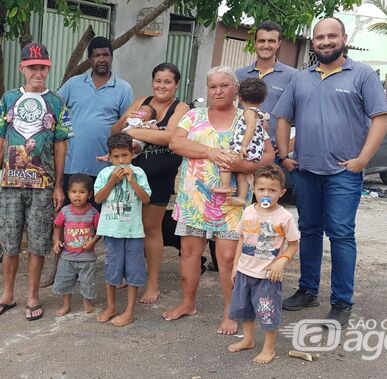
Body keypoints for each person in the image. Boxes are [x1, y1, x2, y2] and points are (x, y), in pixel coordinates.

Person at [272, 17, 387, 326]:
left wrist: (362, 160)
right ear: (313, 42)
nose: (325, 41)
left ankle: (341, 301)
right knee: (308, 231)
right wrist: (284, 155)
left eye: (331, 36)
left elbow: (380, 118)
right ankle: (308, 290)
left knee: (340, 234)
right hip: (307, 170)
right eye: (320, 37)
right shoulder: (301, 79)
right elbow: (283, 117)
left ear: (344, 38)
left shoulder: (362, 75)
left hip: (343, 173)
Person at [165, 66, 275, 335]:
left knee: (227, 258)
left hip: (231, 203)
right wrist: (211, 152)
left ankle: (231, 311)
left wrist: (244, 165)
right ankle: (188, 303)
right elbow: (176, 143)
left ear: (235, 88)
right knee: (190, 253)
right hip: (194, 200)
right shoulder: (194, 116)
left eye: (223, 85)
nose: (218, 91)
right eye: (212, 86)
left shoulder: (248, 117)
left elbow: (269, 155)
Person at [0, 42, 73, 321]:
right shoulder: (9, 99)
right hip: (10, 184)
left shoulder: (57, 103)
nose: (38, 72)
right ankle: (8, 294)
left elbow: (61, 146)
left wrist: (59, 185)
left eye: (43, 67)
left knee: (37, 243)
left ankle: (32, 295)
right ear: (22, 68)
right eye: (33, 67)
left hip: (43, 186)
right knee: (9, 242)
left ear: (48, 69)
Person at [40, 37, 132, 288]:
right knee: (64, 220)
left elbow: (126, 130)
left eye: (106, 55)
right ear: (90, 59)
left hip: (105, 171)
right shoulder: (73, 84)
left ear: (111, 57)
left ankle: (115, 272)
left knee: (108, 222)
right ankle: (56, 270)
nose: (101, 59)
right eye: (96, 55)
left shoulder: (123, 88)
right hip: (71, 166)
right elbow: (53, 112)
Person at [111, 63, 190, 304]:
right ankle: (129, 272)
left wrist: (133, 132)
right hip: (130, 173)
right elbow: (115, 134)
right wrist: (127, 119)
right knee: (127, 225)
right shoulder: (142, 102)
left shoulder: (182, 107)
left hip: (159, 175)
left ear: (176, 85)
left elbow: (170, 138)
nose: (162, 86)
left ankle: (152, 283)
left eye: (167, 82)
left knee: (151, 228)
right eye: (158, 80)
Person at [227, 164, 299, 364]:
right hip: (244, 271)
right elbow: (242, 239)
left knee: (267, 312)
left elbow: (293, 245)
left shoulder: (285, 217)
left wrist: (281, 262)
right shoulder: (249, 211)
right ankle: (248, 340)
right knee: (244, 308)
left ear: (281, 192)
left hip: (268, 276)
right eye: (261, 189)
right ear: (253, 188)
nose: (266, 194)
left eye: (272, 190)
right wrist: (235, 266)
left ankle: (269, 348)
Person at [94, 133, 152, 327]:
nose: (121, 161)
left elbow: (146, 199)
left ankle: (129, 311)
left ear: (132, 155)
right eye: (116, 157)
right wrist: (112, 181)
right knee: (112, 269)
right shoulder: (104, 174)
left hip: (133, 231)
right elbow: (98, 199)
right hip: (111, 231)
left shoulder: (139, 173)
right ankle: (111, 306)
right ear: (110, 157)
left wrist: (133, 181)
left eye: (125, 156)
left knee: (134, 272)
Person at [235, 21, 298, 140]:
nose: (266, 45)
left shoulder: (293, 76)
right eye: (261, 41)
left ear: (279, 44)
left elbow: (303, 116)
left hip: (275, 152)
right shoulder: (239, 75)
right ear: (255, 43)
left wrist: (287, 146)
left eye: (271, 41)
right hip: (242, 147)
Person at [215, 78, 269, 207]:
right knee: (242, 173)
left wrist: (243, 146)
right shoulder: (260, 113)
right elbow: (264, 127)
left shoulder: (248, 112)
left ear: (239, 97)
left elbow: (251, 127)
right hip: (255, 150)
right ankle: (241, 197)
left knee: (224, 158)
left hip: (246, 148)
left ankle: (225, 186)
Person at [52, 174, 101, 316]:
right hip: (67, 257)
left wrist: (92, 242)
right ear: (68, 193)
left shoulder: (93, 213)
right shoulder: (65, 211)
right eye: (73, 192)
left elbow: (100, 231)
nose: (77, 196)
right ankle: (66, 305)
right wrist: (56, 241)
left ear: (90, 194)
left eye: (82, 192)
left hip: (87, 258)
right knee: (66, 282)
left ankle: (87, 302)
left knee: (87, 282)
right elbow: (57, 227)